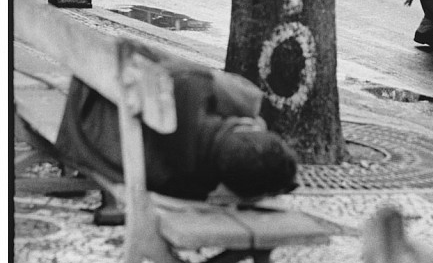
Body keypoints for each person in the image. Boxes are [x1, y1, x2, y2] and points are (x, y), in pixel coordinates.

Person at [55, 60, 298, 201]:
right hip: (92, 148)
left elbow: (249, 97)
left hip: (83, 111)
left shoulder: (192, 86)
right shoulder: (181, 187)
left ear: (244, 126)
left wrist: (250, 117)